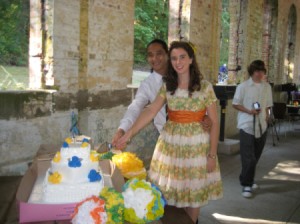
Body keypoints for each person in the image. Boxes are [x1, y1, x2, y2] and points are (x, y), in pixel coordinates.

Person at [116, 41, 223, 223]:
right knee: (169, 194)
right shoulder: (168, 86)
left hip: (196, 147)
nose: (178, 62)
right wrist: (128, 133)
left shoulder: (205, 87)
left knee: (193, 194)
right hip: (170, 147)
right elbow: (150, 111)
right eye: (174, 58)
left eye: (182, 57)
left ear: (190, 59)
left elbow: (214, 121)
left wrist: (212, 155)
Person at [112, 39, 211, 146]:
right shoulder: (147, 85)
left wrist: (205, 116)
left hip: (194, 139)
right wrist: (123, 129)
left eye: (159, 54)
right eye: (150, 55)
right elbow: (136, 107)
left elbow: (199, 99)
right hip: (167, 140)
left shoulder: (184, 77)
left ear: (167, 55)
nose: (154, 58)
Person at [232, 60, 273, 198]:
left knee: (255, 156)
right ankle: (247, 185)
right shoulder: (243, 87)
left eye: (262, 71)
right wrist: (249, 111)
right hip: (247, 125)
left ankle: (246, 178)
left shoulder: (267, 87)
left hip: (262, 126)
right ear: (252, 71)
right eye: (257, 71)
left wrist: (267, 117)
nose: (260, 73)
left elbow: (268, 105)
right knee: (248, 157)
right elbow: (235, 104)